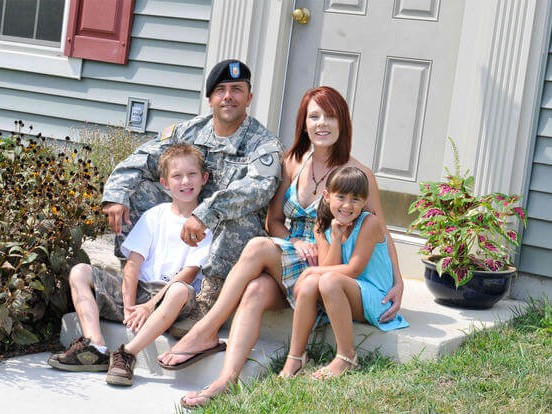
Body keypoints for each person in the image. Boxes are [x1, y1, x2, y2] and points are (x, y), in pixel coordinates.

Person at [157, 86, 405, 408]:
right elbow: (273, 221)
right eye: (314, 116)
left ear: (342, 122)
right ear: (303, 123)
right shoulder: (292, 163)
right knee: (256, 290)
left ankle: (207, 327)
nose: (322, 124)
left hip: (328, 267)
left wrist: (398, 281)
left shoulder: (358, 175)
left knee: (259, 247)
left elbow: (382, 234)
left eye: (329, 116)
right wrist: (294, 242)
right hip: (293, 255)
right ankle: (225, 381)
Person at [102, 59, 282, 333]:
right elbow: (143, 158)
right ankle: (135, 280)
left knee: (241, 220)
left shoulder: (263, 143)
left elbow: (258, 189)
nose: (228, 97)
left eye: (237, 89)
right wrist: (116, 194)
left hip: (224, 234)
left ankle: (206, 303)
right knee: (138, 191)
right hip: (185, 220)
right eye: (220, 90)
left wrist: (206, 213)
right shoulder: (189, 132)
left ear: (249, 98)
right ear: (210, 99)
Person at [48, 144, 219, 385]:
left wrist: (150, 306)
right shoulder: (155, 216)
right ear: (165, 183)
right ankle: (95, 347)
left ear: (204, 178)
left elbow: (189, 274)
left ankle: (127, 353)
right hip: (139, 293)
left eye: (192, 174)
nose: (185, 181)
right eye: (177, 176)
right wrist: (129, 308)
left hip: (173, 299)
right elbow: (133, 264)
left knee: (179, 289)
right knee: (80, 271)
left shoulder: (204, 224)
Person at [280, 166, 408, 380]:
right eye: (341, 197)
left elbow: (353, 270)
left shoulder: (370, 223)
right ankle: (296, 356)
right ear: (327, 197)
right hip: (347, 294)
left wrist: (310, 271)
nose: (348, 205)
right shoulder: (322, 226)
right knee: (315, 282)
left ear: (365, 201)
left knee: (325, 279)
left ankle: (347, 357)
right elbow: (330, 266)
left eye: (356, 199)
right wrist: (336, 239)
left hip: (377, 299)